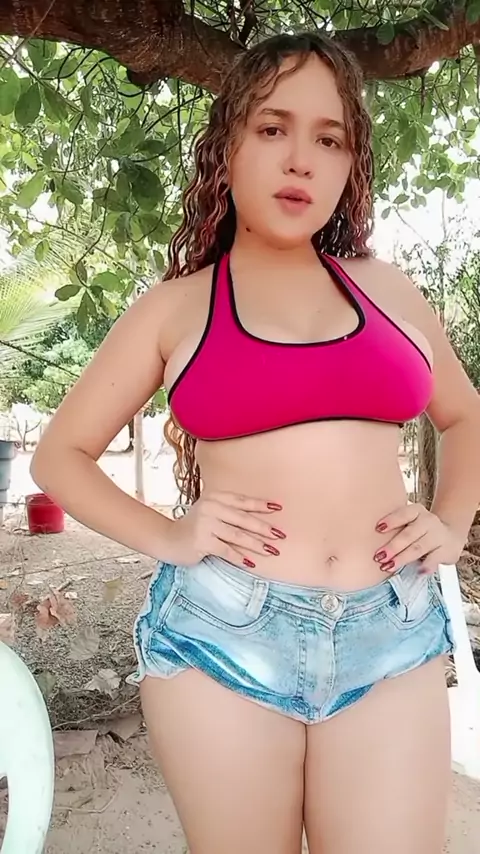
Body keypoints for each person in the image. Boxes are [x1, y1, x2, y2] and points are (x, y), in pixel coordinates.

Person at [31, 31, 480, 854]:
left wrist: (451, 522)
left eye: (329, 139)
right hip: (225, 639)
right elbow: (59, 456)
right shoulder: (175, 308)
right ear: (227, 147)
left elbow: (466, 414)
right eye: (273, 128)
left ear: (349, 165)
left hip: (392, 633)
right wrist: (171, 535)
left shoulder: (388, 290)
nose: (301, 159)